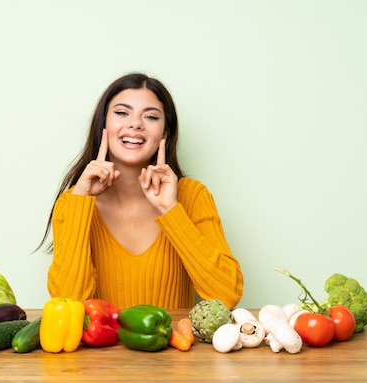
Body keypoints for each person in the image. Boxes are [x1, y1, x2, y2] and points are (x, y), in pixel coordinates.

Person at [37, 73, 243, 309]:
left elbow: (226, 295)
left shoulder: (192, 196)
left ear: (164, 133)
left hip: (175, 344)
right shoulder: (71, 203)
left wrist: (171, 209)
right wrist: (81, 202)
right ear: (103, 124)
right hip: (102, 347)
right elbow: (68, 304)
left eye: (151, 116)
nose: (135, 123)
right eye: (122, 113)